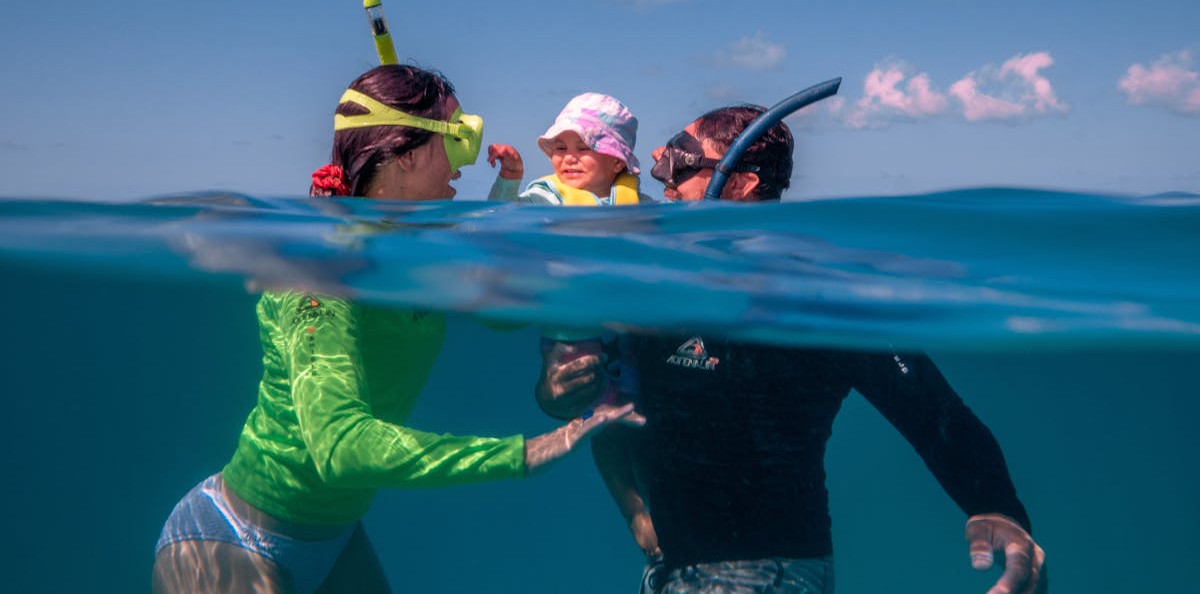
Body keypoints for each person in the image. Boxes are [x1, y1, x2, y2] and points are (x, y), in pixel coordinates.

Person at [152, 64, 641, 594]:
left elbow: (495, 311)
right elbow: (343, 449)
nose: (464, 163)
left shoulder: (420, 246)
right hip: (232, 536)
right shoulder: (318, 268)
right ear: (406, 155)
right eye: (457, 140)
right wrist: (525, 452)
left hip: (337, 538)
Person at [535, 105, 1047, 594]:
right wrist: (558, 397)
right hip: (670, 568)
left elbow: (935, 411)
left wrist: (997, 507)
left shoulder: (814, 293)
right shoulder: (651, 281)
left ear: (741, 182)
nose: (660, 174)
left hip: (767, 570)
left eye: (680, 160)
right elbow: (609, 403)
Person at [486, 91, 654, 206]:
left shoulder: (639, 204)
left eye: (583, 149)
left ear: (617, 161)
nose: (569, 158)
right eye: (560, 148)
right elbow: (499, 218)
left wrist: (674, 184)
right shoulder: (546, 198)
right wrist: (510, 176)